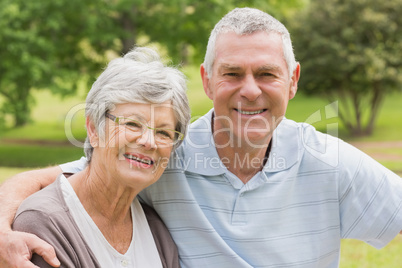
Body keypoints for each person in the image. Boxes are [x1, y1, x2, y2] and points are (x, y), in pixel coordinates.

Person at [1, 7, 402, 268]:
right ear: (208, 80)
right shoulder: (163, 152)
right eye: (232, 74)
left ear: (292, 81)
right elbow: (52, 181)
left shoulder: (329, 161)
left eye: (266, 74)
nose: (249, 90)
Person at [9, 46, 190, 268]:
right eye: (133, 124)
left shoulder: (157, 232)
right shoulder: (44, 223)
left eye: (163, 132)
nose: (149, 141)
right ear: (94, 130)